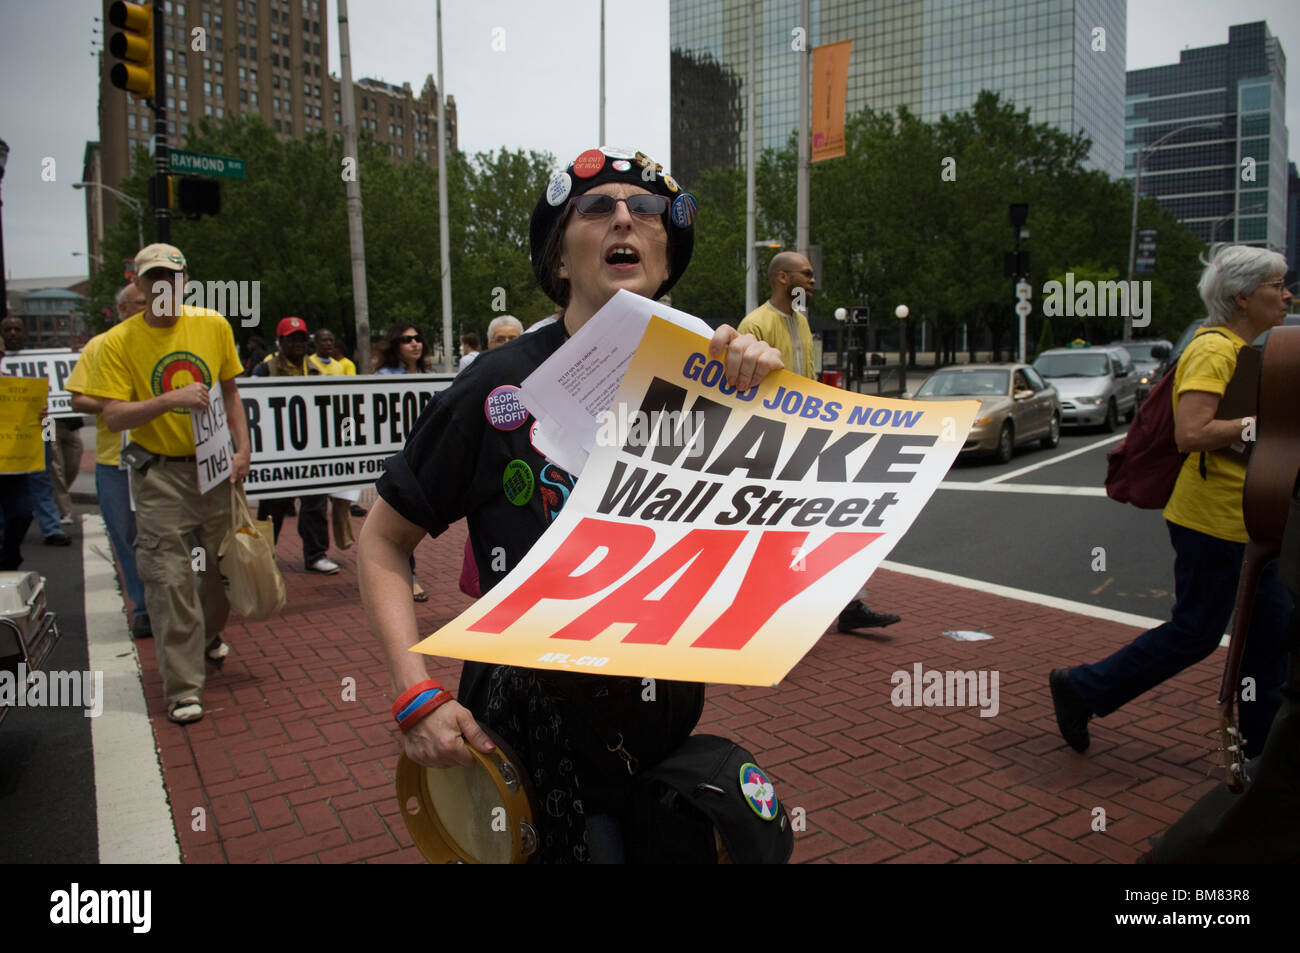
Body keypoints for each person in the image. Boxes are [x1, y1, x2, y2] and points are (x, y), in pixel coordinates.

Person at [359, 146, 783, 863]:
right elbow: (381, 541)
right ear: (559, 261)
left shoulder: (711, 379)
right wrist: (414, 695)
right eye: (597, 208)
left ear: (666, 255)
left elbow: (765, 543)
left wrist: (773, 400)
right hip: (530, 742)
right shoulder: (497, 386)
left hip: (663, 739)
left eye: (645, 210)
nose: (625, 217)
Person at [1050, 244, 1294, 758]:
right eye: (1277, 285)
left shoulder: (1245, 350)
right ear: (1243, 296)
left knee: (1271, 630)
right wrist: (1265, 426)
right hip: (1212, 520)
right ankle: (1083, 687)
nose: (1287, 294)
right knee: (1198, 632)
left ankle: (1261, 745)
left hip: (1248, 518)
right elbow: (1192, 433)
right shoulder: (1214, 349)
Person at [81, 243, 253, 725]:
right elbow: (113, 415)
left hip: (215, 470)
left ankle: (207, 636)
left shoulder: (212, 325)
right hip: (159, 476)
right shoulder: (117, 342)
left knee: (222, 573)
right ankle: (181, 688)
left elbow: (230, 391)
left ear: (184, 283)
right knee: (168, 580)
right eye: (152, 279)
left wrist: (243, 449)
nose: (162, 288)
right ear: (137, 283)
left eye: (171, 278)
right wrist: (170, 397)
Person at [738, 255, 900, 633]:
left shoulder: (802, 321)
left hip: (808, 441)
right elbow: (746, 389)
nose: (813, 281)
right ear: (783, 277)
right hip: (774, 448)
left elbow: (808, 379)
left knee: (830, 521)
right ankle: (765, 610)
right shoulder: (755, 324)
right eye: (806, 274)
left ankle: (850, 603)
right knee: (773, 532)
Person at [63, 283, 153, 637]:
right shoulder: (100, 346)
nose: (149, 307)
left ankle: (179, 601)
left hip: (162, 458)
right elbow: (78, 399)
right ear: (122, 309)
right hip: (115, 460)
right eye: (141, 302)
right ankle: (143, 606)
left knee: (175, 536)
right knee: (127, 536)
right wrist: (116, 404)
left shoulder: (164, 341)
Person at [252, 317, 339, 575]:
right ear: (280, 342)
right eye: (292, 338)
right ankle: (263, 555)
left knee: (315, 505)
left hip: (311, 450)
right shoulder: (264, 370)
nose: (299, 343)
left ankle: (315, 554)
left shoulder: (315, 369)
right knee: (272, 508)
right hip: (278, 452)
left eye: (302, 338)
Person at [372, 322, 432, 600]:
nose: (414, 344)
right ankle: (408, 576)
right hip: (396, 460)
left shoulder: (429, 376)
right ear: (396, 345)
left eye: (418, 338)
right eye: (407, 340)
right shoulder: (383, 376)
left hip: (421, 458)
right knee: (398, 520)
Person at [2, 315, 71, 547]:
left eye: (17, 328)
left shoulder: (35, 361)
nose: (13, 333)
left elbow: (44, 411)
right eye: (8, 329)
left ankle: (51, 528)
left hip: (37, 433)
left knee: (43, 478)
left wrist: (44, 419)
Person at [0, 333, 36, 571]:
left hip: (13, 465)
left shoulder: (18, 387)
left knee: (22, 514)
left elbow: (47, 430)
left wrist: (44, 421)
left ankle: (10, 558)